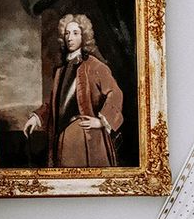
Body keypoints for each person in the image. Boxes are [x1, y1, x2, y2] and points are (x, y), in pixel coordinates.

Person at [23, 14, 124, 166]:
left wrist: (102, 121)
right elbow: (54, 104)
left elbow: (115, 93)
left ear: (84, 37)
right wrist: (36, 118)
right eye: (67, 33)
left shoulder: (95, 66)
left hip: (88, 140)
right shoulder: (60, 71)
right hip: (62, 140)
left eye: (75, 33)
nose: (70, 38)